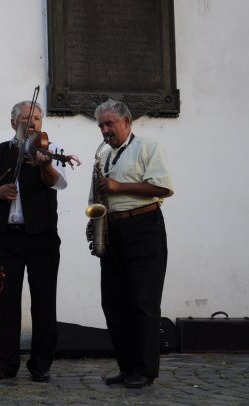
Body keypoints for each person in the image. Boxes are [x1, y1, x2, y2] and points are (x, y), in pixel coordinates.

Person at [0, 100, 67, 383]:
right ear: (13, 122)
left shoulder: (50, 150)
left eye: (37, 118)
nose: (32, 123)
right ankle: (5, 363)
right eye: (26, 118)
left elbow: (58, 183)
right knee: (4, 300)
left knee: (44, 301)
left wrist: (45, 166)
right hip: (7, 236)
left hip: (42, 237)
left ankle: (41, 364)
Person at [90, 99, 173, 388]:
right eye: (101, 125)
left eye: (109, 123)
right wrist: (95, 226)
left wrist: (118, 186)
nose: (104, 130)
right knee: (113, 302)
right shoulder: (105, 156)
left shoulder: (148, 147)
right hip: (112, 230)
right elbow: (98, 197)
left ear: (127, 121)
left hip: (144, 226)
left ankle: (145, 370)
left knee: (143, 302)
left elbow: (163, 187)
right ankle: (127, 367)